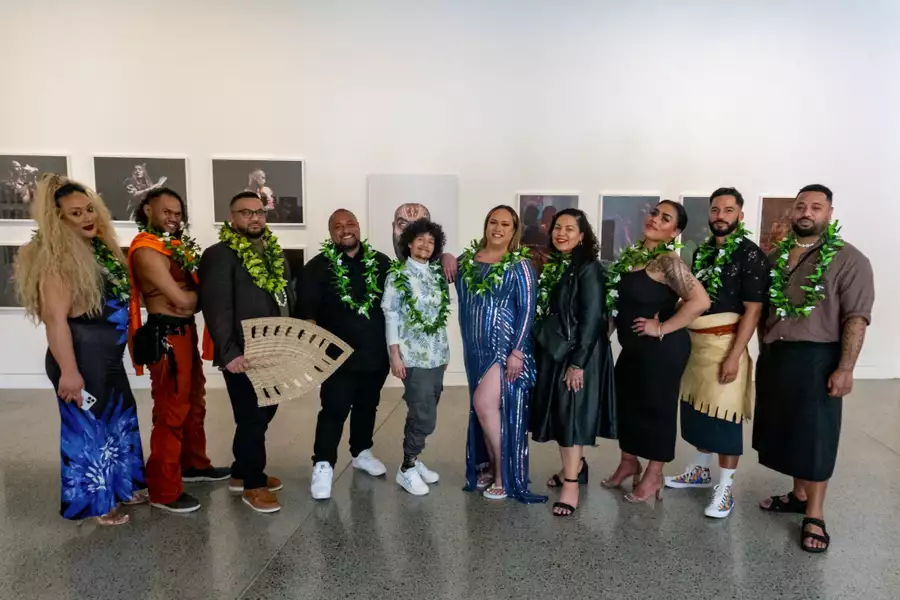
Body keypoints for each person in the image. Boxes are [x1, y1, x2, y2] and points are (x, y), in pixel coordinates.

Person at [14, 174, 146, 526]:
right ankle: (96, 503)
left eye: (89, 209)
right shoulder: (55, 262)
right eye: (76, 214)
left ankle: (121, 486)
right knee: (90, 430)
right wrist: (70, 373)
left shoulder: (97, 251)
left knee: (119, 420)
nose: (88, 217)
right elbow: (56, 322)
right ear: (58, 220)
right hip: (81, 361)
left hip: (108, 361)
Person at [753, 184, 874, 553]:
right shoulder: (775, 257)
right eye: (801, 206)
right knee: (790, 432)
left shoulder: (849, 259)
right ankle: (798, 495)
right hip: (778, 357)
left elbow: (856, 317)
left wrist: (846, 367)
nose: (807, 212)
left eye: (816, 207)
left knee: (816, 436)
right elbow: (763, 312)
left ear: (829, 214)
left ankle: (815, 515)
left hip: (819, 357)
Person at [664, 188, 770, 518]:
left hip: (726, 344)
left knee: (724, 419)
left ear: (740, 215)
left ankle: (725, 488)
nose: (720, 216)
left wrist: (735, 356)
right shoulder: (703, 253)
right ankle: (699, 469)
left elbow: (753, 311)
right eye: (715, 210)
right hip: (697, 346)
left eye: (728, 210)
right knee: (698, 412)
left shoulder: (750, 255)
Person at [602, 200, 710, 504]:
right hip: (633, 350)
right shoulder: (633, 256)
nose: (655, 220)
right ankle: (628, 462)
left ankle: (654, 474)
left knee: (657, 412)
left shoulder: (667, 262)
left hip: (662, 351)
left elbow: (699, 301)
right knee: (628, 407)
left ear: (674, 231)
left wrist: (660, 327)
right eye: (654, 213)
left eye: (665, 219)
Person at [128, 187, 229, 514]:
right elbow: (185, 300)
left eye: (177, 212)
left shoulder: (172, 246)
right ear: (147, 210)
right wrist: (201, 297)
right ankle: (163, 488)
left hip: (185, 333)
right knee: (172, 410)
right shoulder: (146, 250)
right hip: (167, 337)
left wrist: (192, 298)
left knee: (194, 402)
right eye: (166, 211)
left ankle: (194, 465)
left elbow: (189, 300)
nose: (173, 218)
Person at [199, 191, 294, 514]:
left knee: (266, 411)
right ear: (232, 218)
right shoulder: (219, 255)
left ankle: (240, 471)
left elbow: (285, 299)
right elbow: (216, 309)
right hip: (241, 353)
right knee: (251, 417)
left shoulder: (273, 254)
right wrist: (230, 354)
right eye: (246, 213)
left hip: (273, 349)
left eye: (259, 212)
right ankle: (254, 484)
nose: (254, 218)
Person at [298, 209, 392, 500]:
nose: (345, 229)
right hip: (336, 358)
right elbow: (307, 316)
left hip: (376, 354)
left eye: (350, 223)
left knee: (368, 406)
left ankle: (361, 452)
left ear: (359, 227)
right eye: (337, 226)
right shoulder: (317, 267)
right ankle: (323, 464)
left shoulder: (381, 263)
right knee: (334, 410)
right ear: (331, 233)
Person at [456, 205, 544, 503]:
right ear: (486, 225)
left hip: (503, 346)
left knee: (485, 405)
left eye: (505, 224)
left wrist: (517, 351)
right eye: (493, 222)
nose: (498, 228)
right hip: (474, 348)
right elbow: (439, 268)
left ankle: (504, 475)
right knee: (485, 411)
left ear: (513, 230)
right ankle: (493, 464)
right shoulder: (468, 261)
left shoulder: (519, 265)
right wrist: (443, 255)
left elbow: (528, 309)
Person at [531, 208, 616, 516]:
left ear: (582, 236)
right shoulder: (557, 266)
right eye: (557, 227)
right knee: (563, 415)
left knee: (571, 419)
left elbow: (593, 319)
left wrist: (578, 363)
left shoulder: (588, 267)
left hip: (580, 355)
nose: (561, 233)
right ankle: (576, 467)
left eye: (569, 228)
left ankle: (570, 485)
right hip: (558, 352)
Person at [382, 218, 450, 495]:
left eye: (431, 241)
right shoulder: (397, 276)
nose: (425, 245)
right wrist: (394, 356)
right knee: (424, 416)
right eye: (420, 239)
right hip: (413, 356)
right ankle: (407, 468)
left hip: (438, 355)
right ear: (409, 243)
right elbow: (391, 316)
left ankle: (414, 458)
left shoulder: (436, 273)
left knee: (425, 408)